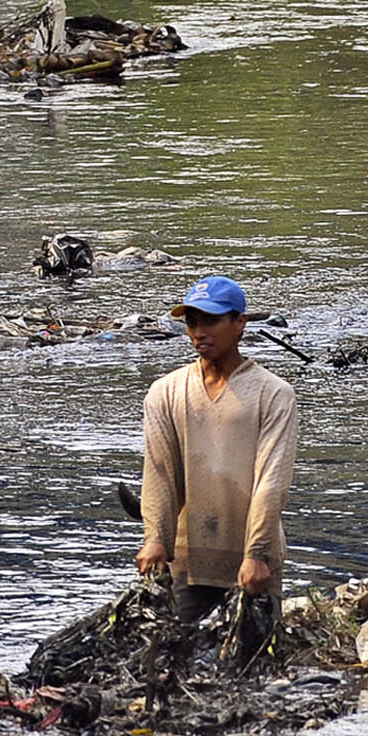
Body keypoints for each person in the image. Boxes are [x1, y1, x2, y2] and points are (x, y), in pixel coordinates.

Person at [138, 276, 298, 645]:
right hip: (187, 560)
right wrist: (155, 539)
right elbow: (160, 473)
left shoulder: (273, 394)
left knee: (254, 665)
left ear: (239, 323)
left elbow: (271, 481)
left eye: (210, 321)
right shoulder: (166, 391)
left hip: (253, 563)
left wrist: (256, 553)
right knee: (181, 660)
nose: (199, 333)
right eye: (192, 322)